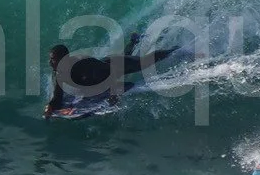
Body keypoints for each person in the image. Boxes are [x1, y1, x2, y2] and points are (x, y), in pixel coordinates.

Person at [47, 33, 184, 116]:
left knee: (144, 63)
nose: (50, 62)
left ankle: (175, 50)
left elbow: (110, 74)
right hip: (101, 68)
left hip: (114, 66)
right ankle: (134, 40)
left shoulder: (82, 64)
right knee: (128, 56)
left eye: (53, 59)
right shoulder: (58, 73)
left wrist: (114, 94)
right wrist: (51, 107)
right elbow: (57, 97)